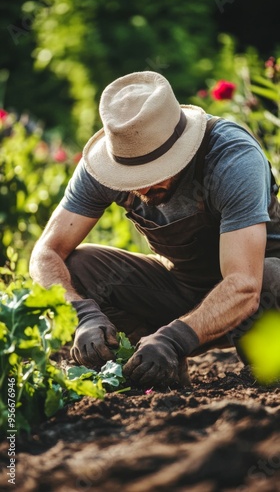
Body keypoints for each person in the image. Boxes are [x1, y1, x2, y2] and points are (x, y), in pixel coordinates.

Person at [29, 71, 280, 387]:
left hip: (260, 297)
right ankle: (152, 368)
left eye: (155, 170)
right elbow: (45, 252)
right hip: (183, 290)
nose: (142, 184)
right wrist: (82, 313)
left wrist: (175, 337)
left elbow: (245, 285)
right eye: (130, 176)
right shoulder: (104, 165)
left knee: (271, 278)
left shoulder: (231, 157)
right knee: (77, 267)